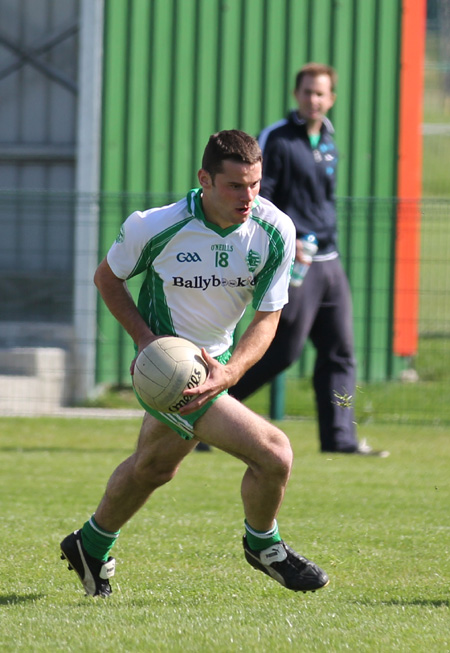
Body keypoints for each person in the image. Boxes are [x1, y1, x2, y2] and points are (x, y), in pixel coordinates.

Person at [60, 130, 329, 597]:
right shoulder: (155, 226)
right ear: (204, 179)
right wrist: (146, 341)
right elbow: (108, 278)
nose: (248, 197)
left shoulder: (273, 230)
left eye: (255, 184)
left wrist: (232, 371)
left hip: (218, 363)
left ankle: (91, 542)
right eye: (234, 185)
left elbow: (268, 317)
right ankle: (264, 546)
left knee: (155, 467)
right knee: (274, 453)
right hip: (170, 370)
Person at [230, 64, 388, 457]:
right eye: (307, 92)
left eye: (321, 94)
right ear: (295, 94)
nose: (313, 100)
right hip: (297, 260)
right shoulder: (278, 140)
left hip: (330, 260)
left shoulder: (329, 140)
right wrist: (292, 238)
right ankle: (207, 409)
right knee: (283, 351)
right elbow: (259, 198)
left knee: (341, 352)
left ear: (331, 98)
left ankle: (340, 439)